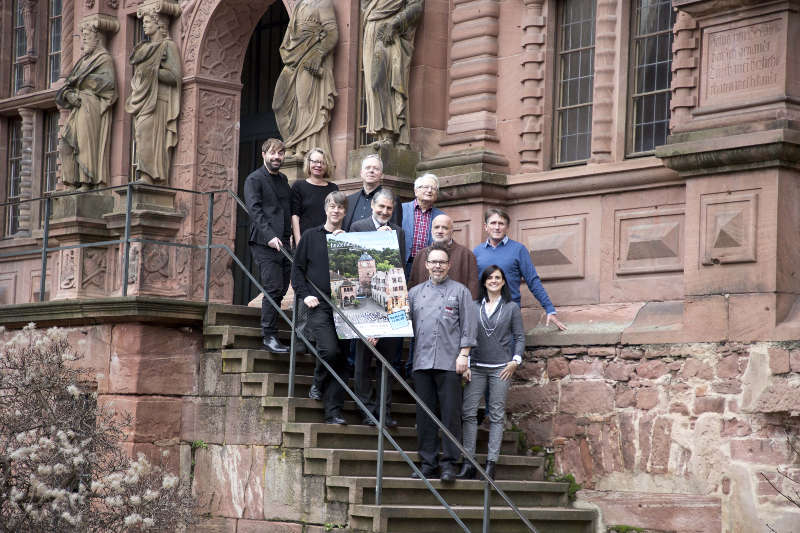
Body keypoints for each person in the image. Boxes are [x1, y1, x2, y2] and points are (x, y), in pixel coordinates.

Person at [408, 243, 476, 482]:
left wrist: (464, 355)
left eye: (442, 262)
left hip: (450, 362)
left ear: (449, 265)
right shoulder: (414, 294)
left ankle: (449, 463)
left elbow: (468, 326)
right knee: (424, 416)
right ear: (426, 265)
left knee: (450, 415)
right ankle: (428, 463)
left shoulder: (460, 292)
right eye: (433, 262)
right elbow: (401, 323)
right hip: (421, 362)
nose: (437, 266)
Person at [458, 265, 524, 481]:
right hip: (475, 366)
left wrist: (515, 361)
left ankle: (491, 463)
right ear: (484, 282)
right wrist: (465, 361)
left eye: (498, 277)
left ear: (504, 282)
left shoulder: (511, 307)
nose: (494, 281)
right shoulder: (474, 306)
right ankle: (468, 461)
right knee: (468, 412)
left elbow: (520, 337)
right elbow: (465, 334)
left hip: (500, 369)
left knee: (496, 415)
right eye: (490, 278)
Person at [292, 191, 350, 425]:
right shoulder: (310, 236)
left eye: (340, 207)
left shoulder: (351, 238)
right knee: (329, 351)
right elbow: (297, 271)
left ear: (345, 212)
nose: (336, 211)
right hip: (319, 304)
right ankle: (317, 382)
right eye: (332, 206)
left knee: (342, 358)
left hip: (346, 306)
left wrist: (347, 245)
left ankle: (333, 411)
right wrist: (305, 296)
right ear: (326, 209)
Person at [350, 188, 406, 427]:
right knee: (363, 362)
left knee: (389, 361)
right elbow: (353, 271)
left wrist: (388, 241)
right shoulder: (358, 228)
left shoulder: (399, 232)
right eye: (381, 207)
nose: (384, 212)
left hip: (392, 301)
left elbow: (398, 267)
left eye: (389, 208)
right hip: (364, 303)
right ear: (372, 206)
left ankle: (385, 411)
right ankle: (366, 410)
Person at [473, 207, 567, 330]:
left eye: (501, 223)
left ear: (507, 227)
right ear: (485, 226)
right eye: (493, 223)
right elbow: (473, 284)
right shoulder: (477, 252)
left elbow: (533, 280)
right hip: (484, 313)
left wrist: (549, 309)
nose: (497, 227)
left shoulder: (518, 250)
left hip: (509, 311)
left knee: (511, 347)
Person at [56, 18, 117, 190]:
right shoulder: (82, 62)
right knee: (66, 144)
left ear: (97, 38)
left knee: (85, 144)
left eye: (87, 37)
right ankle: (71, 182)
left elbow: (109, 85)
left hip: (90, 105)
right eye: (81, 37)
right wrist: (69, 94)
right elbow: (67, 86)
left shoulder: (104, 59)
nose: (83, 41)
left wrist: (82, 84)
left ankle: (86, 182)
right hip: (78, 105)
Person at [272, 0, 338, 158]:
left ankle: (304, 149)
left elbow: (332, 32)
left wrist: (319, 54)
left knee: (304, 103)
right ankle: (290, 142)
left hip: (310, 57)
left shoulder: (323, 4)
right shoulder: (299, 5)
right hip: (293, 58)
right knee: (279, 105)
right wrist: (287, 52)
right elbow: (289, 35)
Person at [244, 139, 292, 354]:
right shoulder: (254, 179)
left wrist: (288, 236)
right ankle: (269, 336)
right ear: (264, 154)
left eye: (280, 154)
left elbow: (287, 211)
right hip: (265, 242)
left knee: (282, 288)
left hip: (284, 242)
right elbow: (254, 211)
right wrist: (270, 236)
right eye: (273, 153)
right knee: (272, 287)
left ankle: (273, 333)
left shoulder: (283, 180)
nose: (276, 158)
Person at [125, 4, 181, 184]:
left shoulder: (168, 46)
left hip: (159, 100)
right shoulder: (144, 49)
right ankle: (144, 174)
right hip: (143, 98)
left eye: (148, 21)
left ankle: (151, 176)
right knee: (140, 134)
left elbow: (174, 76)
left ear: (159, 24)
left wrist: (154, 72)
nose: (144, 25)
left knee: (147, 133)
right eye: (143, 22)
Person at [361, 0, 423, 148]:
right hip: (370, 30)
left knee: (382, 80)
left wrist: (395, 23)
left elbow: (416, 7)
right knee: (372, 86)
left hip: (389, 32)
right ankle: (381, 134)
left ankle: (390, 135)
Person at [408, 214, 479, 300]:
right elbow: (413, 285)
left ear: (452, 231)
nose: (440, 231)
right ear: (431, 231)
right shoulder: (421, 255)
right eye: (436, 227)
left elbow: (473, 289)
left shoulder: (467, 255)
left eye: (445, 228)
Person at [290, 148, 339, 245]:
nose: (319, 165)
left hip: (328, 240)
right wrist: (298, 241)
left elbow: (337, 215)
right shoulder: (298, 186)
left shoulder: (333, 188)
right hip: (305, 240)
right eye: (315, 162)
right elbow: (295, 216)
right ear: (308, 163)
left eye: (322, 162)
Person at [342, 154, 402, 231]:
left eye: (376, 168)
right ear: (361, 173)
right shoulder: (349, 200)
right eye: (367, 168)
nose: (371, 171)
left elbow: (395, 232)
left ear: (381, 174)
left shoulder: (392, 199)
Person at [401, 173, 445, 278]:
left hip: (427, 267)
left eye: (433, 188)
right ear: (416, 191)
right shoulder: (401, 209)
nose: (429, 190)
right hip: (402, 264)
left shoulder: (441, 216)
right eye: (425, 187)